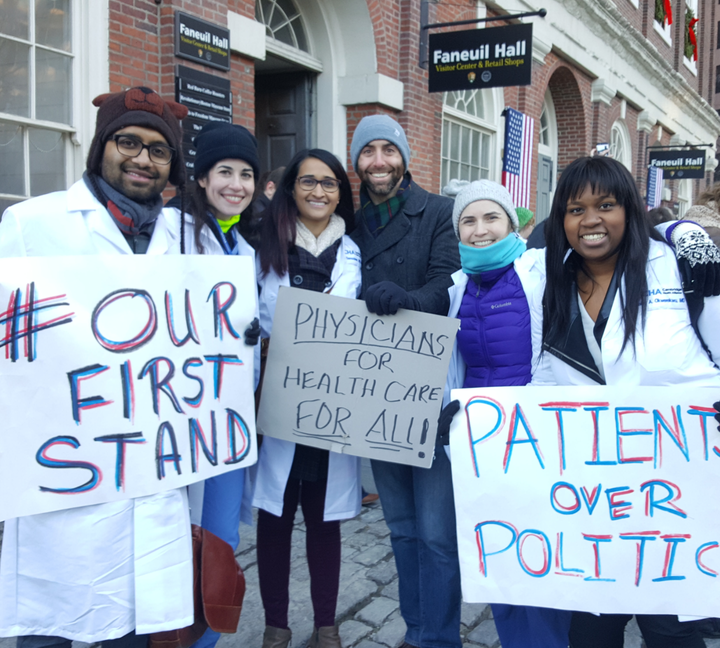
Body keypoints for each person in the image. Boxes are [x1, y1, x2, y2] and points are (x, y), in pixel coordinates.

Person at [0, 86, 194, 648]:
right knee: (59, 624)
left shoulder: (185, 236)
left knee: (135, 626)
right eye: (127, 142)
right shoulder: (31, 224)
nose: (142, 159)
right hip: (65, 470)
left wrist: (234, 339)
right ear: (100, 148)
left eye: (159, 150)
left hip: (150, 469)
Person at [529, 155, 720, 648]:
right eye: (575, 209)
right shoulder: (554, 284)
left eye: (606, 204)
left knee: (670, 632)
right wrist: (476, 423)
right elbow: (547, 384)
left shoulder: (678, 264)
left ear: (629, 210)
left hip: (675, 496)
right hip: (597, 503)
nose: (590, 220)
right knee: (591, 631)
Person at [441, 180, 571, 648]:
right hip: (482, 445)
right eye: (468, 221)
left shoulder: (543, 270)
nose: (480, 230)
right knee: (499, 553)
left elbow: (558, 353)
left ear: (511, 222)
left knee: (542, 559)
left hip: (539, 442)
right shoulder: (457, 286)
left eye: (491, 217)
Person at [348, 115, 462, 648]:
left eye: (387, 150)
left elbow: (447, 281)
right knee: (402, 529)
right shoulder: (349, 224)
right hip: (376, 399)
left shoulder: (439, 212)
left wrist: (406, 300)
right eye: (367, 151)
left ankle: (439, 638)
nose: (378, 162)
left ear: (404, 158)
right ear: (356, 162)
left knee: (438, 535)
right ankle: (418, 630)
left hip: (429, 393)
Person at [251, 149, 362, 648]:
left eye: (330, 184)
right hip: (276, 409)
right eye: (309, 182)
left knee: (324, 523)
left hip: (332, 411)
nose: (319, 192)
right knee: (273, 520)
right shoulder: (261, 248)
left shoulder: (358, 251)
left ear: (341, 191)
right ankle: (276, 623)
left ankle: (325, 624)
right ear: (291, 188)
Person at [173, 120, 262, 648]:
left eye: (247, 173)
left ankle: (206, 641)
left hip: (230, 422)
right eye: (224, 171)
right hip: (181, 418)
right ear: (202, 178)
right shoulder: (171, 232)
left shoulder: (243, 247)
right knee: (180, 541)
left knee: (221, 543)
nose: (237, 183)